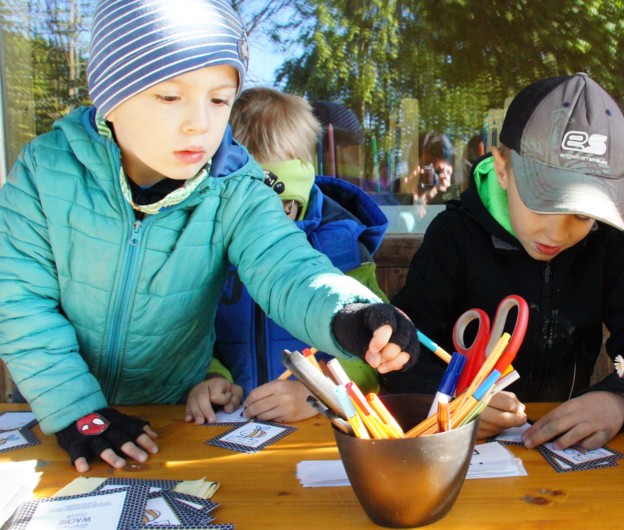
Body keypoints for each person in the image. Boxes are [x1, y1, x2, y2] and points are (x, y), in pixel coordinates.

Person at [0, 0, 417, 473]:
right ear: (112, 96)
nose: (200, 122)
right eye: (169, 96)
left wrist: (347, 313)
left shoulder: (236, 187)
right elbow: (19, 300)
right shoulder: (46, 171)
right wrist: (76, 410)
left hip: (173, 419)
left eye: (219, 99)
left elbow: (287, 267)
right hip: (53, 410)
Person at [381, 73, 624, 451]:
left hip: (562, 448)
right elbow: (404, 349)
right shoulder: (453, 237)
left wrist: (621, 399)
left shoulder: (606, 246)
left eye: (582, 216)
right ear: (503, 170)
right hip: (456, 449)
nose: (556, 234)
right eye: (541, 204)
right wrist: (452, 401)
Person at [215, 87, 390, 423]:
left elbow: (375, 358)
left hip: (323, 431)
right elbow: (191, 335)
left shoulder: (343, 247)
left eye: (284, 207)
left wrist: (319, 392)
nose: (267, 226)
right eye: (247, 211)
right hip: (229, 425)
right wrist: (211, 377)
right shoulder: (208, 245)